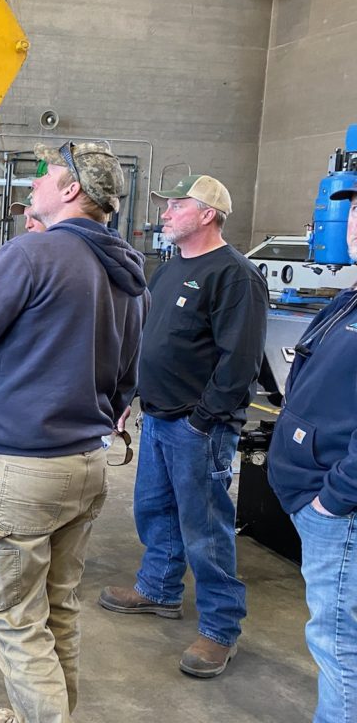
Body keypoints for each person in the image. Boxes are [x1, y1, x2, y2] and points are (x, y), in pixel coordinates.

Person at [0, 142, 147, 723]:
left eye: (45, 175)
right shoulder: (130, 274)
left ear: (70, 192)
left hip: (24, 470)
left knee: (15, 621)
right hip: (87, 464)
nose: (33, 185)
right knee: (57, 610)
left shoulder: (33, 254)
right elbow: (125, 380)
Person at [99, 174, 268, 679]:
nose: (165, 213)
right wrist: (132, 398)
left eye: (177, 205)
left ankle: (220, 629)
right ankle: (158, 589)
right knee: (153, 509)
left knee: (206, 528)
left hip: (200, 427)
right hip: (159, 416)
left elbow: (240, 363)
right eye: (166, 205)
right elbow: (150, 339)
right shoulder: (170, 268)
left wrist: (203, 421)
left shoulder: (235, 276)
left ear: (209, 214)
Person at [267, 177, 357, 723]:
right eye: (351, 209)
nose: (350, 221)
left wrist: (334, 498)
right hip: (316, 497)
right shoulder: (348, 298)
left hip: (338, 509)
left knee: (338, 644)